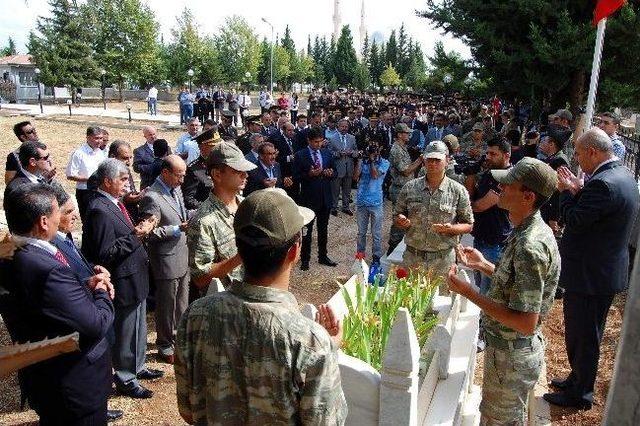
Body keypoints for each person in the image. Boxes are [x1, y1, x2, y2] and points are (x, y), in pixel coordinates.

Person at [176, 188, 348, 424]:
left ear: (239, 247)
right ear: (295, 251)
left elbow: (187, 410)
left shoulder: (195, 315)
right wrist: (327, 346)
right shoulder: (309, 342)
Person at [448, 157, 561, 425]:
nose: (501, 188)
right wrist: (485, 265)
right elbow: (516, 285)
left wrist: (469, 292)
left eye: (509, 184)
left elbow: (525, 321)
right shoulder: (527, 230)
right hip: (508, 353)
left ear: (528, 196)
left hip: (512, 358)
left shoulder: (529, 246)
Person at [2, 183, 115, 425]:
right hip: (74, 385)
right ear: (44, 221)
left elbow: (46, 302)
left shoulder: (11, 254)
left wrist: (84, 285)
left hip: (45, 377)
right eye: (57, 212)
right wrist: (101, 290)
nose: (62, 217)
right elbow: (95, 324)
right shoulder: (48, 267)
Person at [544, 128, 640, 409]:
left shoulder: (602, 184)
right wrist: (579, 189)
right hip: (602, 270)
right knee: (586, 333)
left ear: (593, 152)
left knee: (583, 336)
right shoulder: (620, 176)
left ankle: (580, 394)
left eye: (579, 153)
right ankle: (577, 379)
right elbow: (599, 213)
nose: (576, 158)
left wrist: (565, 193)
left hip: (590, 274)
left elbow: (573, 220)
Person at [82, 159, 162, 399]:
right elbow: (105, 253)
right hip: (123, 280)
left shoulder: (116, 204)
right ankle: (126, 378)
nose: (128, 184)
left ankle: (137, 367)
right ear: (107, 181)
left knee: (138, 327)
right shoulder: (99, 210)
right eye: (123, 179)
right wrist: (137, 236)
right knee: (125, 331)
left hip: (136, 277)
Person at [394, 141, 473, 286]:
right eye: (430, 159)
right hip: (413, 258)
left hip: (443, 262)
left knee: (440, 305)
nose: (433, 163)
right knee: (408, 303)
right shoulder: (410, 187)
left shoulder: (458, 191)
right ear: (424, 160)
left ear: (447, 160)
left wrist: (452, 229)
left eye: (438, 160)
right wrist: (400, 220)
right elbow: (397, 215)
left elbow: (468, 224)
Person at [138, 155, 190, 365]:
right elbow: (147, 233)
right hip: (166, 259)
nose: (182, 180)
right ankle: (165, 345)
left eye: (184, 175)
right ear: (165, 173)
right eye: (179, 175)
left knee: (181, 303)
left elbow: (181, 214)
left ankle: (178, 339)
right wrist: (177, 229)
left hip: (182, 254)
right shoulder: (152, 196)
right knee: (167, 305)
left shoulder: (175, 189)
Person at [187, 142, 256, 294]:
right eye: (238, 171)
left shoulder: (247, 205)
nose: (245, 175)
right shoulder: (203, 221)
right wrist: (240, 257)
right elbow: (200, 278)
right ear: (217, 175)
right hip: (224, 306)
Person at [469, 137, 513, 295]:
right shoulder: (489, 173)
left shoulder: (508, 177)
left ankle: (485, 320)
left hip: (495, 242)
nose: (488, 157)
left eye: (493, 154)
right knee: (481, 285)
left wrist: (467, 206)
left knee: (489, 291)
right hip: (480, 237)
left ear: (506, 155)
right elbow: (472, 195)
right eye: (487, 153)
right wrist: (471, 174)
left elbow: (480, 206)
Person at [293, 127, 337, 271]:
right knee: (307, 231)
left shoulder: (326, 153)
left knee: (323, 229)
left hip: (325, 197)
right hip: (308, 199)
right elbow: (296, 177)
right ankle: (305, 259)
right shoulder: (300, 155)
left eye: (321, 141)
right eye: (316, 142)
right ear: (309, 141)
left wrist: (331, 173)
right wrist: (310, 174)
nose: (319, 144)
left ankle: (323, 256)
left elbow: (335, 171)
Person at [387, 123, 423, 255]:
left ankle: (399, 248)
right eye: (406, 133)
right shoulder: (396, 150)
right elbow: (406, 171)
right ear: (399, 135)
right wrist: (420, 160)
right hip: (399, 190)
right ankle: (392, 249)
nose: (409, 135)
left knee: (406, 218)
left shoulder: (402, 147)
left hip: (405, 189)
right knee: (399, 219)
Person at [354, 141, 389, 264]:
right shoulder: (363, 161)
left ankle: (376, 257)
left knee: (376, 233)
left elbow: (375, 175)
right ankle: (360, 255)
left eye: (376, 150)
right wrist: (359, 160)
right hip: (362, 201)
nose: (374, 152)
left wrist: (372, 161)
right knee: (361, 232)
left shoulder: (385, 163)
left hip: (375, 202)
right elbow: (355, 177)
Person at [65, 126, 106, 219]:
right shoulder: (79, 153)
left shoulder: (100, 152)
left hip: (100, 190)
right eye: (96, 138)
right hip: (85, 192)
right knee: (88, 220)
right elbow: (70, 175)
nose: (99, 141)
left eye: (101, 138)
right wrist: (90, 179)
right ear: (88, 138)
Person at [181, 129, 220, 210]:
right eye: (214, 146)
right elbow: (189, 200)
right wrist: (210, 209)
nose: (218, 149)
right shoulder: (194, 170)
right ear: (202, 147)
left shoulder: (220, 165)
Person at [327, 119, 358, 216]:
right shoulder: (332, 139)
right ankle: (334, 207)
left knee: (347, 190)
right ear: (338, 127)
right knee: (335, 190)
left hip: (349, 167)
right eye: (342, 126)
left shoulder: (352, 138)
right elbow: (329, 154)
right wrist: (338, 154)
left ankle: (346, 207)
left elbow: (356, 151)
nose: (344, 128)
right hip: (337, 168)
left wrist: (352, 153)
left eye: (346, 127)